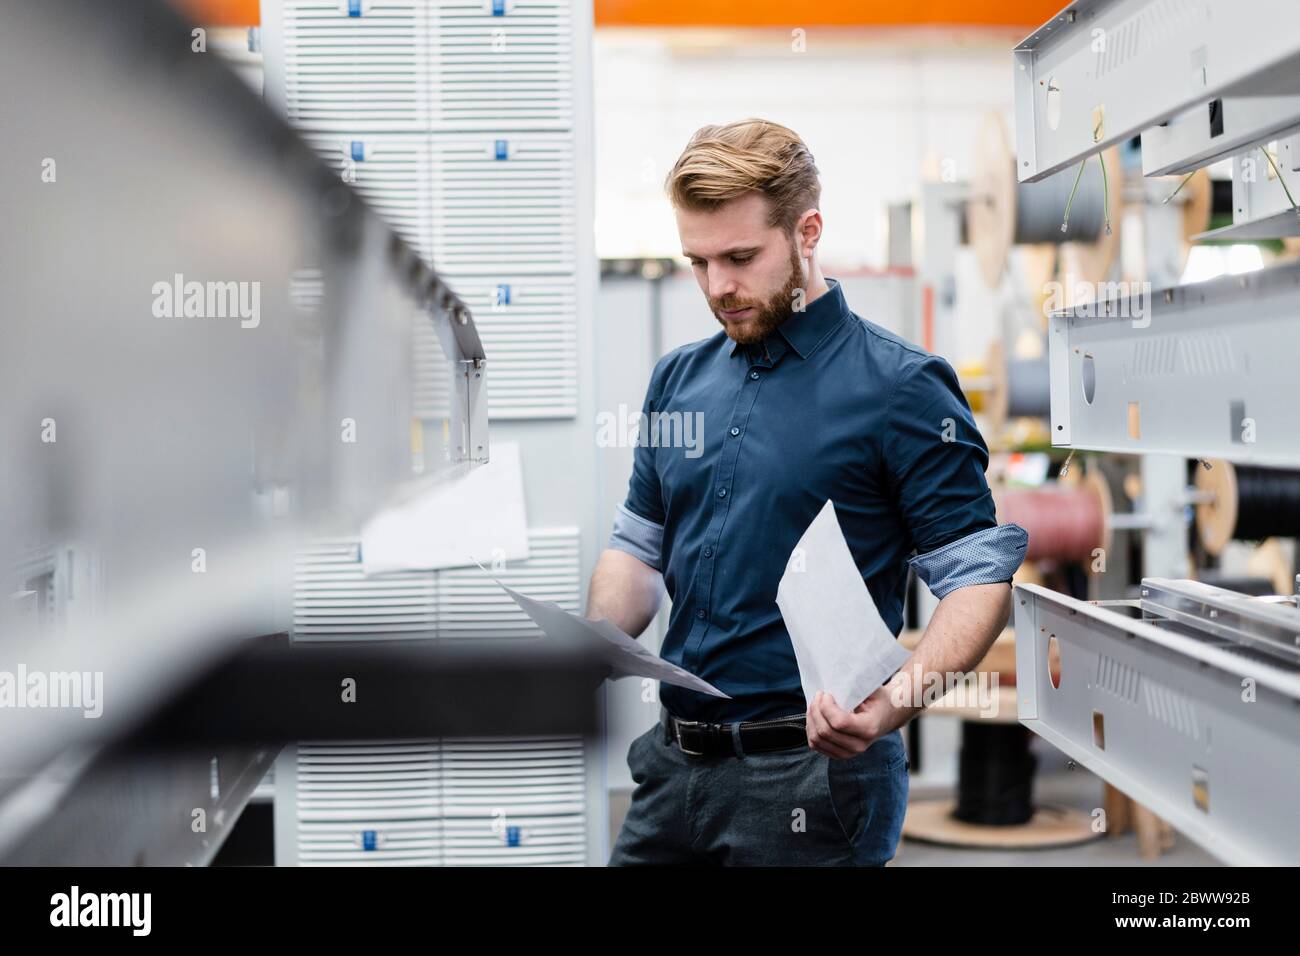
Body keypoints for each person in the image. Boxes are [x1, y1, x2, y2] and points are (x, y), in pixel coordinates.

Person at [587, 118, 1028, 866]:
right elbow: (637, 548)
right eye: (697, 262)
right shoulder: (677, 381)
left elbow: (978, 581)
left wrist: (891, 707)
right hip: (668, 772)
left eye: (740, 257)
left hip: (812, 784)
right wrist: (594, 636)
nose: (717, 287)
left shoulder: (901, 388)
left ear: (807, 232)